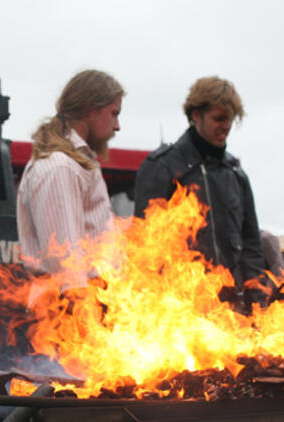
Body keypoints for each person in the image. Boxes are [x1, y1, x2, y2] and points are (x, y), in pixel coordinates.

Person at [133, 76, 266, 313]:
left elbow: (251, 245)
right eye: (218, 118)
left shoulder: (236, 174)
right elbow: (144, 247)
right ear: (196, 115)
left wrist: (257, 298)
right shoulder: (163, 167)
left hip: (232, 311)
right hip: (181, 311)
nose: (226, 126)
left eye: (230, 120)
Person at [16, 69, 124, 304]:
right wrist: (85, 318)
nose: (117, 126)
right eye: (114, 113)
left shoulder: (72, 164)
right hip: (67, 314)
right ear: (91, 109)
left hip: (83, 307)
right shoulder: (60, 167)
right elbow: (65, 261)